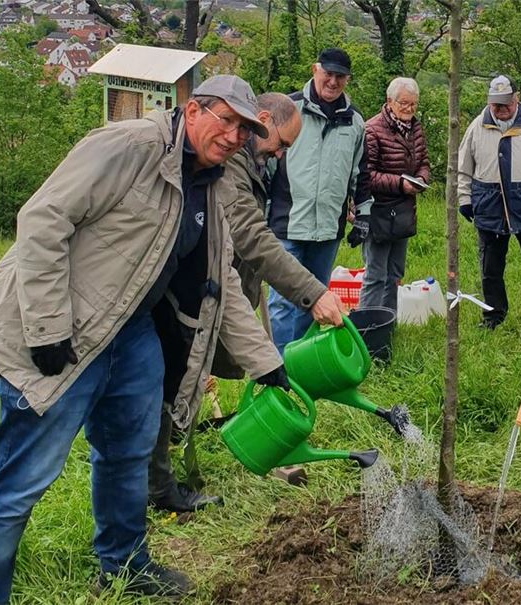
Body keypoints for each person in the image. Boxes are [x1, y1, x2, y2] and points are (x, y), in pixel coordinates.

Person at [0, 75, 289, 602]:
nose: (233, 136)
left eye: (244, 130)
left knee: (129, 454)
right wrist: (47, 327)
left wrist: (264, 361)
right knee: (19, 482)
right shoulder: (129, 146)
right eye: (225, 120)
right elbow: (43, 219)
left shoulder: (211, 181)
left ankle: (124, 565)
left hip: (130, 335)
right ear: (193, 110)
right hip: (64, 332)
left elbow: (217, 280)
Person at [148, 91, 346, 513]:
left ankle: (166, 477)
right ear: (264, 120)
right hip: (194, 290)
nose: (281, 154)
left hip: (223, 286)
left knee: (188, 375)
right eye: (281, 143)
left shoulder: (249, 161)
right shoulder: (229, 160)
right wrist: (312, 292)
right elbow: (250, 234)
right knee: (172, 379)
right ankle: (159, 484)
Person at [266, 47, 373, 353]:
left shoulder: (354, 122)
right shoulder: (289, 109)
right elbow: (266, 164)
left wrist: (363, 216)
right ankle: (278, 368)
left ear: (347, 79)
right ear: (315, 69)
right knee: (282, 302)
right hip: (287, 223)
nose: (333, 81)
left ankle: (300, 364)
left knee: (313, 301)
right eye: (328, 73)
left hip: (328, 228)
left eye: (341, 76)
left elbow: (361, 173)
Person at [458, 75, 521, 329]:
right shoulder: (476, 127)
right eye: (496, 104)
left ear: (517, 98)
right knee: (490, 268)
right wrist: (464, 198)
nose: (501, 109)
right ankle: (493, 316)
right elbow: (463, 166)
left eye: (506, 103)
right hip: (488, 206)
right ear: (488, 102)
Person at [357, 77, 431, 312]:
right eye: (404, 103)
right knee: (376, 274)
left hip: (403, 211)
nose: (409, 109)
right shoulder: (372, 129)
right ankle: (367, 324)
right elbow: (366, 175)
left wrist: (421, 179)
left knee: (395, 274)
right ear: (389, 101)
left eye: (414, 104)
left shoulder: (415, 129)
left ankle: (387, 321)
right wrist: (400, 184)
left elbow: (424, 162)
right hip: (378, 212)